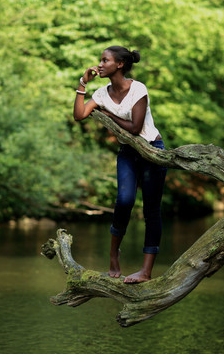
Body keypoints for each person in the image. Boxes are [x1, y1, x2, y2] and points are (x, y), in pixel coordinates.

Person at [73, 46, 167, 283]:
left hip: (152, 150)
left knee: (151, 210)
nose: (100, 64)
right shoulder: (101, 93)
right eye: (100, 60)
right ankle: (114, 253)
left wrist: (109, 117)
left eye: (105, 60)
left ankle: (146, 271)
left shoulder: (138, 89)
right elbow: (79, 114)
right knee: (124, 201)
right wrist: (82, 84)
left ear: (120, 65)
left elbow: (135, 128)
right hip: (128, 152)